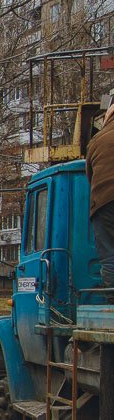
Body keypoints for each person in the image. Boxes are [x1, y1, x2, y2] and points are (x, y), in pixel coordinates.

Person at [86, 102, 114, 291]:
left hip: (103, 203)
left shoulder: (97, 140)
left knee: (110, 257)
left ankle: (112, 299)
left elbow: (89, 176)